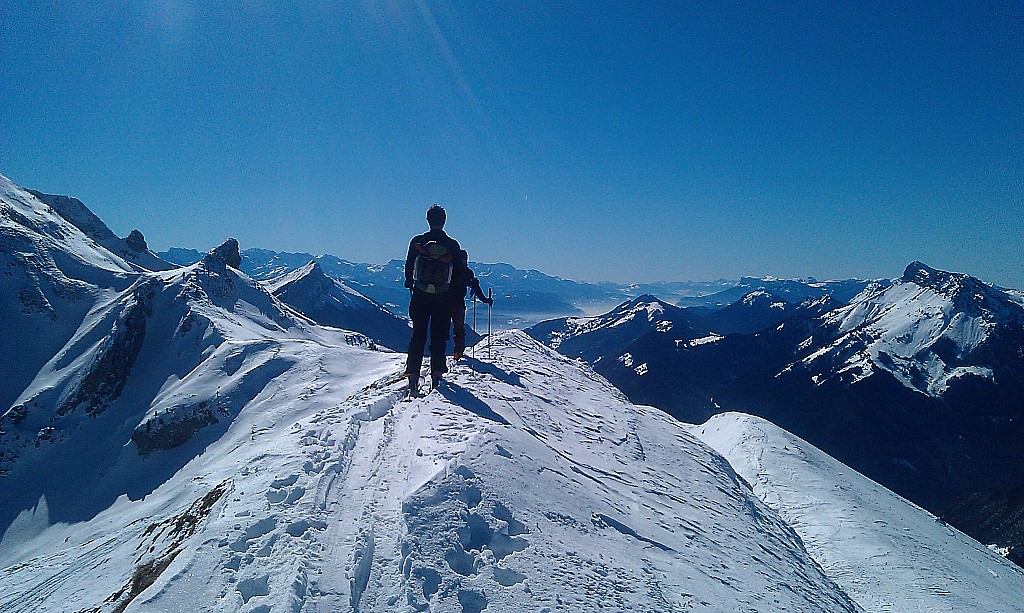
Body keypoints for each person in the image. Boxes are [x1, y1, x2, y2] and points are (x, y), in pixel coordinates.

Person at [404, 204, 464, 395]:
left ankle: (413, 377)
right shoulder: (452, 245)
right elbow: (459, 274)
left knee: (418, 336)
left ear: (428, 220)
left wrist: (412, 284)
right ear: (444, 221)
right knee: (438, 336)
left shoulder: (418, 242)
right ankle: (437, 376)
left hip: (420, 295)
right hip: (443, 297)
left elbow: (408, 269)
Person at [450, 249, 492, 360]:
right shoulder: (467, 272)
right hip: (458, 303)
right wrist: (485, 300)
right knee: (459, 329)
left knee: (441, 329)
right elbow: (475, 288)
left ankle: (438, 357)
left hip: (443, 302)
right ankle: (458, 353)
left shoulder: (447, 268)